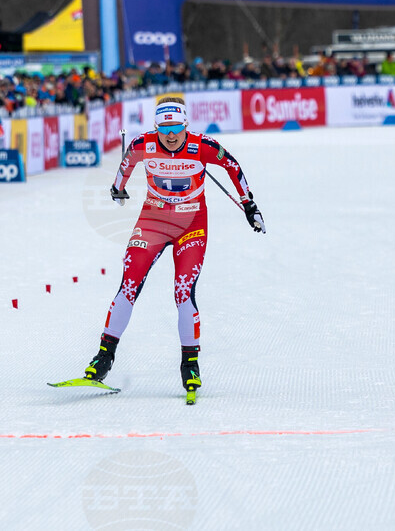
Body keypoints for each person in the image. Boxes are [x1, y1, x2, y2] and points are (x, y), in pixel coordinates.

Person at [83, 97, 266, 399]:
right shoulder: (143, 143)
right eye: (164, 129)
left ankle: (190, 365)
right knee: (129, 283)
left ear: (186, 125)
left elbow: (232, 166)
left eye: (177, 128)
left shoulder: (202, 146)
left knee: (183, 291)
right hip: (153, 219)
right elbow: (126, 163)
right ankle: (103, 357)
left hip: (192, 223)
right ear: (156, 127)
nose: (170, 135)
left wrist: (249, 205)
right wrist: (118, 188)